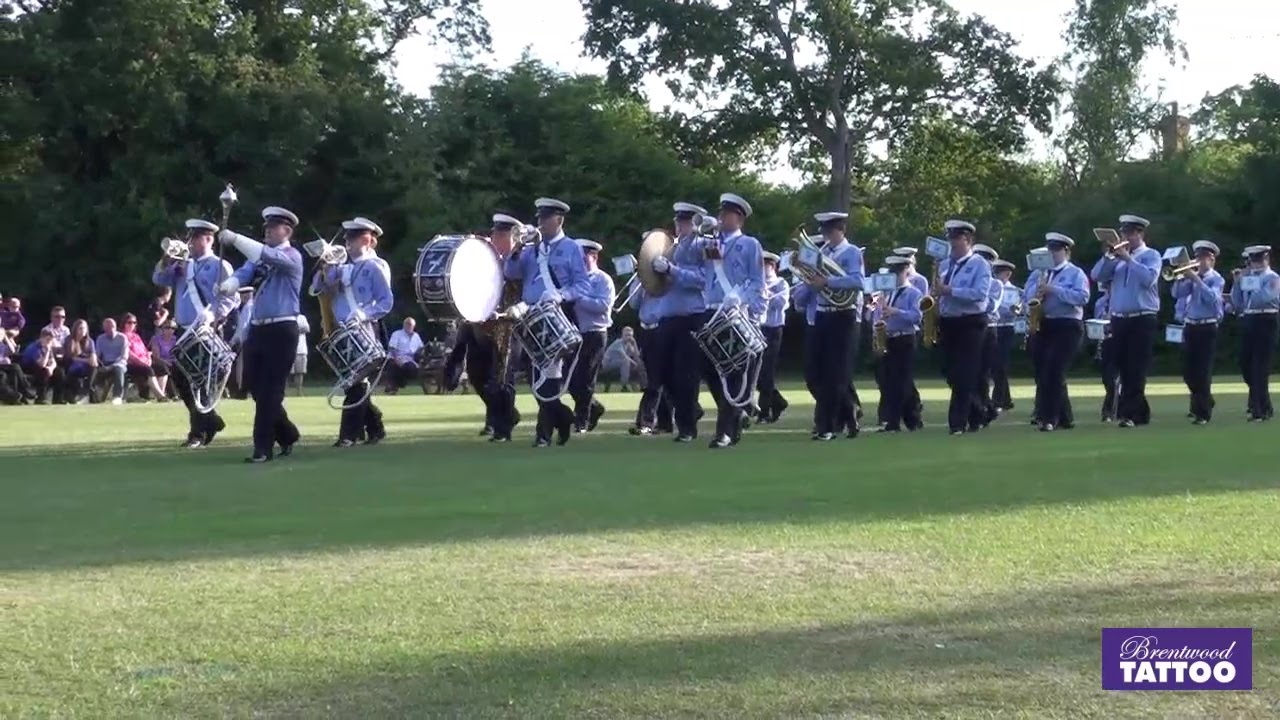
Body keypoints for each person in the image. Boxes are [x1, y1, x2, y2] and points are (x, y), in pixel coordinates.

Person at [218, 205, 305, 463]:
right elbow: (244, 273)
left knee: (271, 391)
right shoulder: (258, 258)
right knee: (254, 386)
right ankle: (287, 434)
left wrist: (234, 239)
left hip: (282, 328)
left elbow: (267, 256)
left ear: (286, 231)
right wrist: (227, 286)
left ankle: (262, 449)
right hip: (258, 327)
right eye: (265, 227)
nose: (266, 231)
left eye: (272, 227)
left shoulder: (292, 256)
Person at [502, 197, 590, 447]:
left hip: (558, 314)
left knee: (549, 376)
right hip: (531, 316)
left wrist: (561, 295)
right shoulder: (531, 249)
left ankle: (543, 435)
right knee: (535, 379)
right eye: (538, 218)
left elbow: (582, 285)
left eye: (545, 218)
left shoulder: (571, 248)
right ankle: (564, 419)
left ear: (559, 220)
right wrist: (517, 248)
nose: (539, 223)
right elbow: (511, 273)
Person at [152, 218, 239, 447]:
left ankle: (198, 433)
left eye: (195, 237)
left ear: (208, 239)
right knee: (181, 379)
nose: (189, 242)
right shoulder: (184, 264)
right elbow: (158, 278)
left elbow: (233, 298)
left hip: (205, 329)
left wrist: (214, 316)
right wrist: (167, 259)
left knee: (200, 382)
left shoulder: (219, 265)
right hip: (183, 329)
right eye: (189, 237)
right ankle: (210, 421)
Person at [308, 216, 393, 448]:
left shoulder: (376, 267)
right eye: (347, 237)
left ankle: (349, 434)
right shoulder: (341, 267)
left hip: (365, 328)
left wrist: (364, 314)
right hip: (341, 331)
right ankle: (375, 426)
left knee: (356, 381)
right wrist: (325, 263)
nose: (347, 242)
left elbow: (386, 302)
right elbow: (317, 288)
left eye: (353, 238)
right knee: (354, 381)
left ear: (367, 240)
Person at [693, 193, 766, 449]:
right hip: (711, 309)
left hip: (735, 312)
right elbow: (694, 256)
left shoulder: (749, 244)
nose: (721, 218)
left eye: (726, 214)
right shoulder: (710, 241)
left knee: (733, 372)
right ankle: (737, 410)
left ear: (739, 217)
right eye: (720, 213)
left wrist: (740, 296)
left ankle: (724, 431)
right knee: (707, 368)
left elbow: (758, 282)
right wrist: (701, 231)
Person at [798, 211, 865, 441]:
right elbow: (811, 280)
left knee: (835, 374)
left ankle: (827, 426)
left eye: (829, 231)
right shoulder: (822, 252)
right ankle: (849, 410)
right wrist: (808, 286)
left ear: (840, 230)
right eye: (823, 231)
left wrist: (828, 281)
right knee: (813, 372)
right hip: (822, 314)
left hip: (844, 314)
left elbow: (858, 281)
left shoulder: (852, 252)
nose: (825, 236)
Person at [648, 202, 712, 443]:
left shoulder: (702, 245)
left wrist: (672, 270)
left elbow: (703, 280)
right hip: (667, 315)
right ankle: (690, 411)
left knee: (686, 374)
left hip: (691, 316)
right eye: (677, 221)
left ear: (694, 223)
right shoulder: (670, 247)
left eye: (684, 222)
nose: (679, 226)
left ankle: (687, 427)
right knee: (661, 373)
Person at [1091, 214, 1161, 428]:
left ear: (1140, 234)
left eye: (1129, 233)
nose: (1125, 237)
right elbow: (1096, 276)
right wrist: (1108, 257)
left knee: (1136, 367)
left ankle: (1129, 414)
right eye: (1123, 233)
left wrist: (1129, 259)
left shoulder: (1151, 255)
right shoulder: (1117, 260)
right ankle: (1138, 411)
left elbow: (1149, 279)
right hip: (1119, 318)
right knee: (1118, 365)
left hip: (1142, 317)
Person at [933, 219, 993, 436]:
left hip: (971, 322)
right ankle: (981, 411)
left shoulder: (979, 264)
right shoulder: (944, 264)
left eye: (956, 239)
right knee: (948, 370)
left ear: (967, 240)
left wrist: (951, 290)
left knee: (964, 372)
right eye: (950, 239)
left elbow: (980, 295)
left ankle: (957, 422)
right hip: (948, 322)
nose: (952, 244)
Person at [1025, 233, 1089, 432]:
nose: (1052, 254)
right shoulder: (1038, 273)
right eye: (1050, 250)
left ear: (1066, 251)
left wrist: (1054, 289)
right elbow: (1026, 296)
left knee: (1054, 369)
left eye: (1056, 250)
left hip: (1067, 325)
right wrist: (1035, 294)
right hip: (1043, 323)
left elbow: (1082, 297)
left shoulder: (1075, 273)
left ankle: (1048, 418)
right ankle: (1065, 417)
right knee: (1043, 371)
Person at [1171, 240, 1225, 424]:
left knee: (1202, 370)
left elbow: (1212, 299)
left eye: (1203, 258)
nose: (1199, 262)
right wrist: (1182, 277)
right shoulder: (1192, 278)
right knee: (1188, 371)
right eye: (1197, 258)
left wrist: (1196, 279)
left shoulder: (1216, 279)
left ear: (1212, 260)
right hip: (1190, 325)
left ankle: (1202, 413)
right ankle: (1206, 400)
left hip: (1207, 326)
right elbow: (1176, 294)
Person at [567, 239, 615, 432]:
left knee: (586, 379)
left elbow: (603, 306)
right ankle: (594, 408)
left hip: (595, 333)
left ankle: (582, 421)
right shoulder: (574, 280)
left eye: (584, 257)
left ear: (594, 257)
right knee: (571, 380)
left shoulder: (603, 280)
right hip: (574, 335)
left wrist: (580, 299)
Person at [1231, 244, 1279, 421]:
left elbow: (1262, 299)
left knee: (1260, 367)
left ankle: (1258, 410)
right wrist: (1237, 283)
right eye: (1252, 261)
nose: (1255, 265)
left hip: (1266, 319)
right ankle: (1264, 404)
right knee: (1245, 364)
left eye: (1258, 260)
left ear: (1266, 259)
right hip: (1249, 320)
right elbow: (1238, 303)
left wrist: (1250, 283)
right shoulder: (1246, 279)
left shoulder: (1273, 278)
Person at [878, 256, 924, 432]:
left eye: (897, 272)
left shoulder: (914, 293)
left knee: (901, 382)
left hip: (905, 338)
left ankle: (894, 422)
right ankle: (912, 419)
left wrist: (896, 311)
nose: (894, 276)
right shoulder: (886, 293)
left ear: (906, 271)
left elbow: (916, 317)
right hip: (889, 338)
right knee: (889, 381)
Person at [628, 285, 676, 436]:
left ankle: (645, 422)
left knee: (654, 380)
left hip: (660, 328)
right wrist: (642, 284)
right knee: (660, 379)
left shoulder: (664, 276)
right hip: (645, 330)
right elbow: (633, 304)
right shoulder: (640, 278)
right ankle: (668, 421)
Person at [756, 252, 789, 424]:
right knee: (755, 371)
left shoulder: (781, 284)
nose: (763, 268)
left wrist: (766, 295)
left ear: (773, 266)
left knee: (766, 371)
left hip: (773, 329)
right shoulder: (756, 284)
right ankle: (778, 402)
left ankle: (765, 411)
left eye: (767, 264)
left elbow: (781, 303)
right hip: (757, 329)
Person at [972, 243, 1002, 428]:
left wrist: (973, 295)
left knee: (982, 372)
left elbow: (991, 305)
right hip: (972, 326)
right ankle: (984, 408)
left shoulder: (995, 284)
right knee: (971, 371)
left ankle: (984, 408)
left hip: (988, 328)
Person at [990, 260, 1020, 412]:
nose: (996, 276)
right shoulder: (992, 287)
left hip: (1005, 328)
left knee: (1000, 364)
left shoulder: (1013, 291)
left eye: (999, 273)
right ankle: (1005, 399)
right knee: (995, 365)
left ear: (1007, 274)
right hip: (993, 327)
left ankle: (998, 400)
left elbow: (1013, 310)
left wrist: (1002, 310)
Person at [95, 318, 129, 405]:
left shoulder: (122, 338)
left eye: (113, 327)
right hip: (105, 363)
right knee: (94, 370)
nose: (111, 330)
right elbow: (97, 355)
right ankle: (93, 395)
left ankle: (117, 396)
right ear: (104, 329)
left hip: (119, 362)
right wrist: (100, 364)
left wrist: (112, 366)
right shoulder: (100, 339)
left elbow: (124, 356)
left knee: (118, 369)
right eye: (108, 328)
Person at [63, 318, 97, 403]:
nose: (82, 331)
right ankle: (75, 396)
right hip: (72, 365)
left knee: (94, 367)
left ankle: (85, 392)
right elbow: (71, 357)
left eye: (84, 328)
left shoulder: (90, 341)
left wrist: (93, 359)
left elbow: (93, 355)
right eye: (80, 328)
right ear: (75, 329)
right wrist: (86, 361)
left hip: (86, 366)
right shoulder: (70, 340)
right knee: (73, 372)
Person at [386, 317, 424, 393]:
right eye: (407, 324)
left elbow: (421, 348)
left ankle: (400, 383)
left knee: (411, 368)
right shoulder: (397, 334)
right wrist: (396, 359)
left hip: (411, 359)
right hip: (397, 356)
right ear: (404, 325)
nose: (409, 326)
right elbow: (391, 348)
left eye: (411, 325)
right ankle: (392, 386)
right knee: (394, 365)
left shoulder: (416, 336)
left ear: (414, 326)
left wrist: (422, 356)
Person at [601, 326, 641, 392]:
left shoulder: (628, 344)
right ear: (622, 335)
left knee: (633, 363)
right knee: (626, 362)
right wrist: (636, 364)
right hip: (607, 364)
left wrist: (634, 343)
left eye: (630, 335)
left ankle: (641, 385)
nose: (628, 337)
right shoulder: (618, 343)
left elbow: (637, 356)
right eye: (626, 335)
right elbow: (625, 356)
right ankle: (624, 386)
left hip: (618, 364)